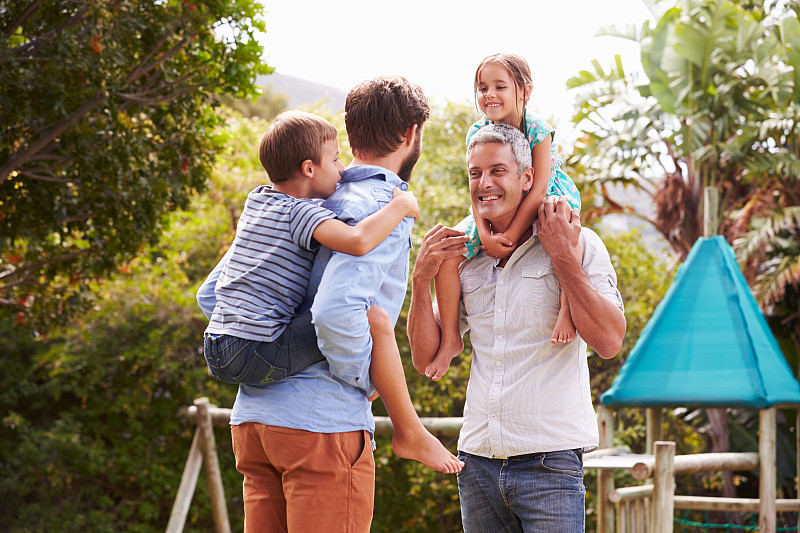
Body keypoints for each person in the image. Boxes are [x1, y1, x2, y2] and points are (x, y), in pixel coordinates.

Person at [197, 77, 462, 533]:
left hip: (254, 424)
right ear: (411, 134)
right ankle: (410, 430)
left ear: (350, 132)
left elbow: (212, 294)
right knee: (374, 321)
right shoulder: (382, 205)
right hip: (320, 426)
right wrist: (368, 376)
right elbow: (334, 313)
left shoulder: (287, 200)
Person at [407, 123, 626, 533]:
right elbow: (424, 357)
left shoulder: (580, 241)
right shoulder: (465, 254)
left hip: (550, 464)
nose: (484, 183)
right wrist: (421, 281)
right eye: (475, 173)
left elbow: (610, 341)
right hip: (475, 463)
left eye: (497, 171)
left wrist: (562, 257)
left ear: (528, 178)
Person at [203, 110, 420, 388]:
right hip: (257, 352)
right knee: (365, 322)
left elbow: (207, 294)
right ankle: (380, 390)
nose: (343, 169)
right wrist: (401, 206)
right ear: (308, 169)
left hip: (215, 344)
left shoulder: (256, 201)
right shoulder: (300, 213)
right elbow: (357, 241)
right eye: (334, 159)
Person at [426, 52, 583, 381]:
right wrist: (484, 236)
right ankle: (452, 337)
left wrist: (510, 234)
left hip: (543, 195)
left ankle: (567, 313)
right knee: (449, 252)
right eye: (483, 88)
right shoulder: (477, 132)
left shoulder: (538, 130)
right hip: (496, 205)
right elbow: (475, 188)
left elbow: (537, 187)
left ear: (524, 90)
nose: (490, 95)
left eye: (500, 86)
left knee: (566, 229)